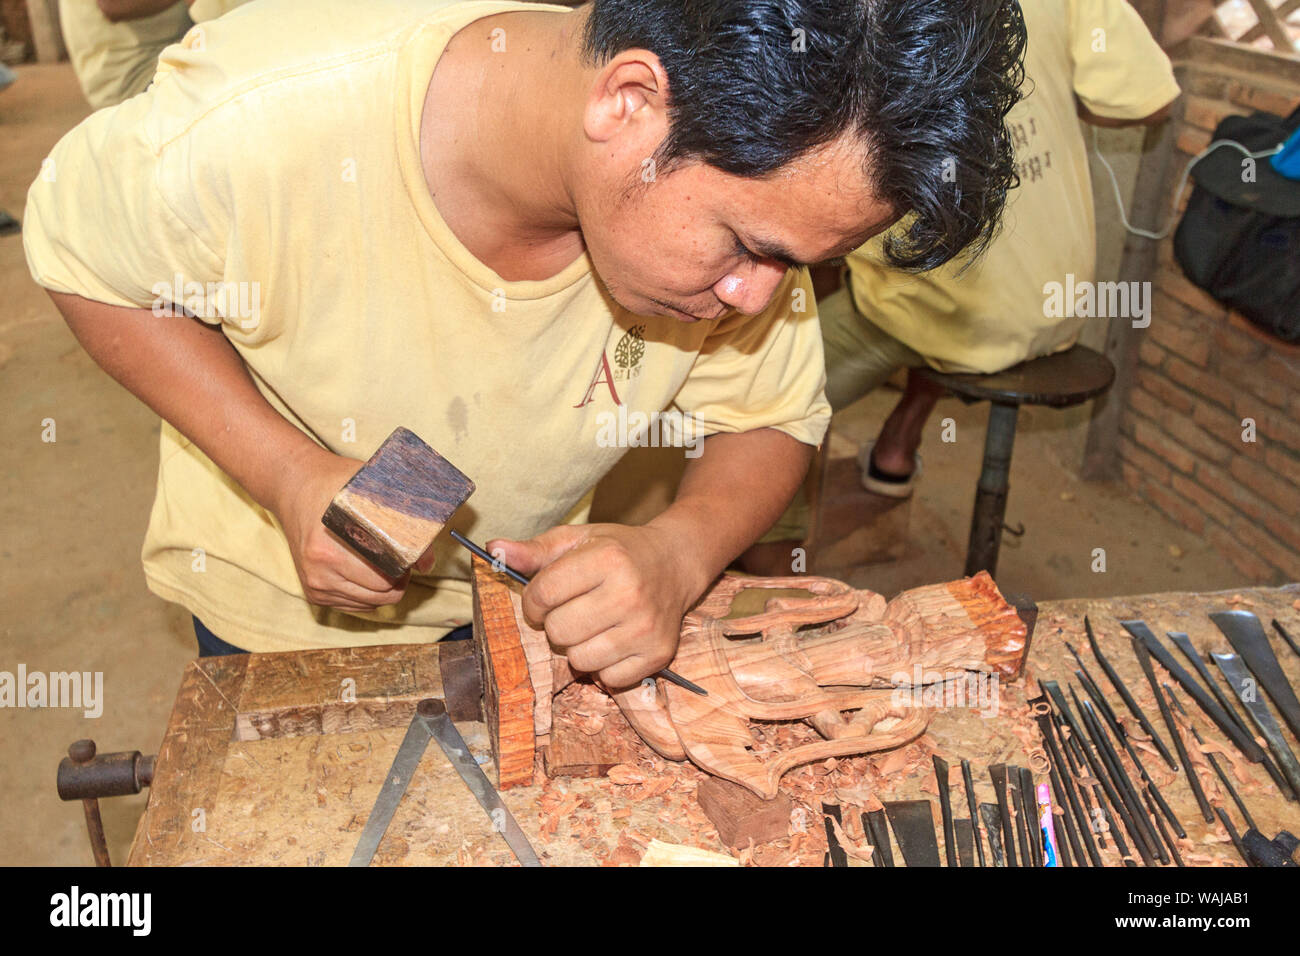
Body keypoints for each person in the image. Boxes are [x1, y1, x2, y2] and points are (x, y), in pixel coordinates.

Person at [25, 0, 1026, 688]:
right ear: (626, 105)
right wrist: (288, 473)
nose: (755, 295)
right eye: (748, 247)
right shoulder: (259, 123)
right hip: (280, 608)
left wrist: (677, 554)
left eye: (800, 264)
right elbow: (79, 255)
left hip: (529, 609)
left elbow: (769, 414)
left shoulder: (753, 174)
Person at [740, 0, 1181, 574]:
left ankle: (772, 576)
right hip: (1058, 302)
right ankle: (898, 447)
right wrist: (1039, 101)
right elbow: (1152, 100)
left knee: (762, 401)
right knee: (926, 276)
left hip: (953, 311)